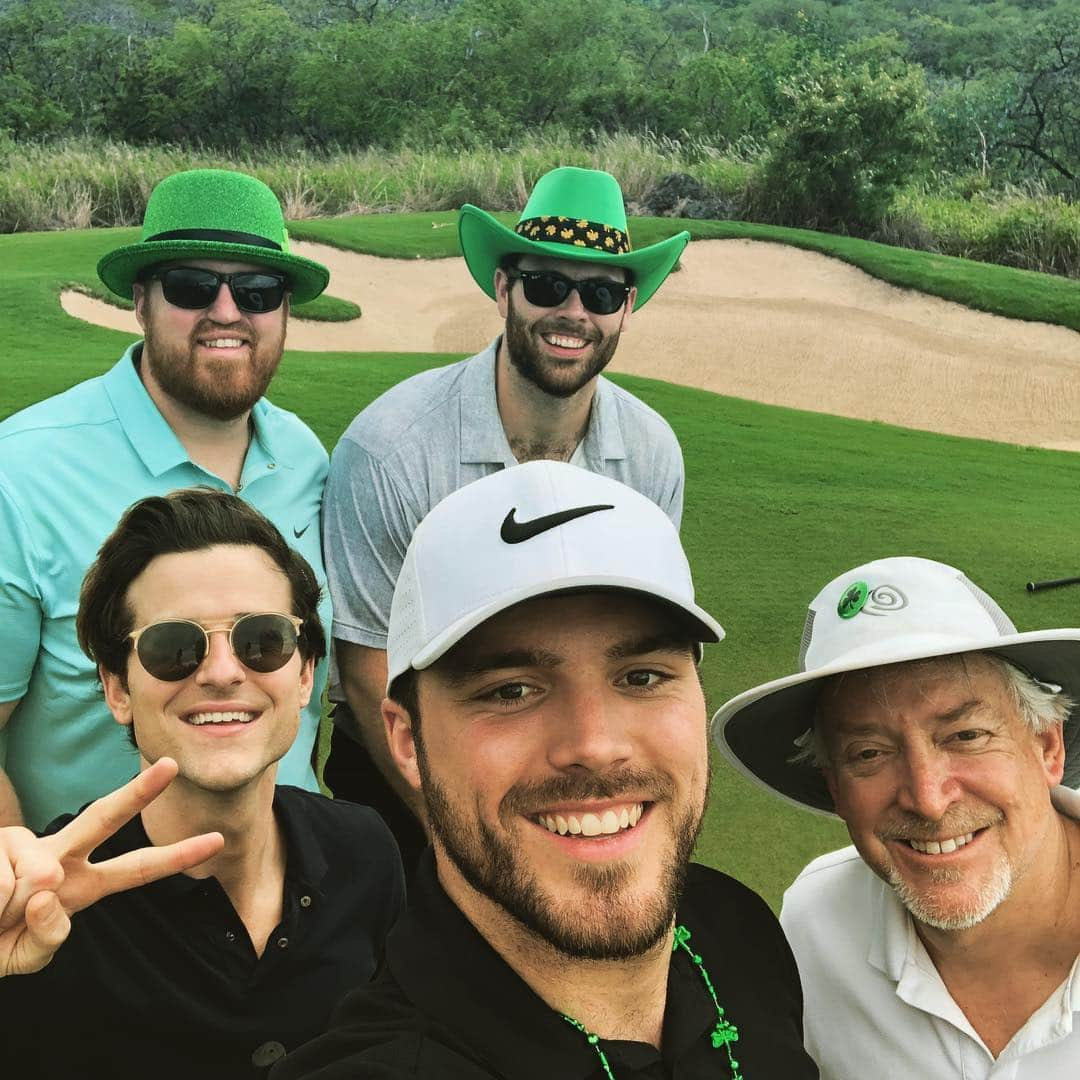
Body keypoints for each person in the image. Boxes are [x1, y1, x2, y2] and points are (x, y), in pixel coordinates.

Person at [274, 461, 818, 1079]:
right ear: (406, 738)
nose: (595, 744)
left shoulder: (737, 927)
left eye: (641, 677)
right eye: (511, 691)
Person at [323, 166, 691, 869]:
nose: (574, 313)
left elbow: (649, 644)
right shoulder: (390, 448)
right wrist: (461, 836)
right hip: (407, 767)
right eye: (547, 286)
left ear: (627, 306)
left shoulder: (651, 453)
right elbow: (369, 669)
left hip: (571, 748)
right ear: (503, 289)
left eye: (601, 293)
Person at [0, 489, 405, 1079]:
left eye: (263, 640)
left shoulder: (366, 850)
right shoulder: (45, 906)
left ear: (304, 676)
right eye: (173, 647)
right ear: (117, 689)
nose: (220, 672)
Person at [0, 168, 334, 829]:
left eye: (259, 290)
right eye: (191, 286)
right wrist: (29, 881)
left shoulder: (304, 458)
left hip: (294, 892)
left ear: (284, 310)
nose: (227, 312)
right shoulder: (23, 470)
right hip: (101, 907)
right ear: (140, 299)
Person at [713, 556, 1080, 1078]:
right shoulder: (813, 926)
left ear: (1047, 747)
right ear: (835, 789)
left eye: (966, 736)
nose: (928, 799)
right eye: (869, 753)